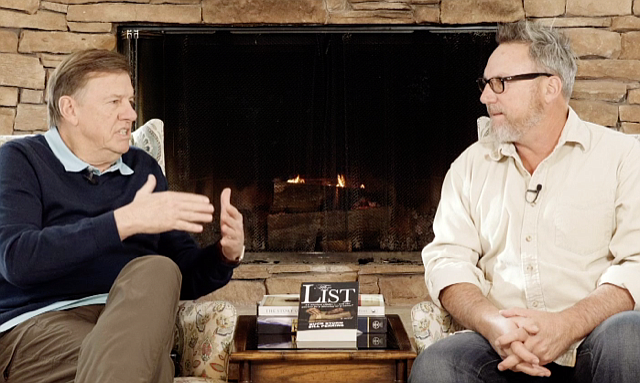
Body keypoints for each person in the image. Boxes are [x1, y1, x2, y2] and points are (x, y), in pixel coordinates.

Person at [409, 20, 640, 383]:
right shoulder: (470, 166)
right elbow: (447, 261)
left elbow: (637, 262)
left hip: (592, 344)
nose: (486, 96)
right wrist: (493, 324)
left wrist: (566, 325)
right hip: (499, 348)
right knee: (439, 365)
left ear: (550, 87)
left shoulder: (624, 157)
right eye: (485, 84)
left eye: (500, 83)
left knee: (629, 338)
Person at [0, 49, 245, 382]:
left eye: (130, 101)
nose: (130, 114)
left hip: (138, 319)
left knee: (158, 268)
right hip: (40, 325)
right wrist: (124, 222)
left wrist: (224, 255)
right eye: (114, 102)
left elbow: (182, 276)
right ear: (70, 109)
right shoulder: (20, 161)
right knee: (150, 365)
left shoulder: (142, 169)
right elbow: (17, 260)